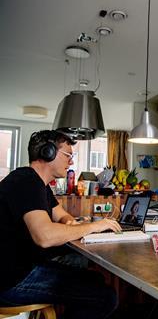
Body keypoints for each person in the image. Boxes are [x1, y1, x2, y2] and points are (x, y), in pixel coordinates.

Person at [0, 130, 122, 319]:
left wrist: (71, 223)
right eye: (68, 155)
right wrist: (94, 226)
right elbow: (45, 236)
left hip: (20, 269)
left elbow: (62, 216)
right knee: (105, 297)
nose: (71, 162)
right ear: (48, 153)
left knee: (94, 277)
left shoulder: (40, 185)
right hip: (9, 281)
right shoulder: (26, 181)